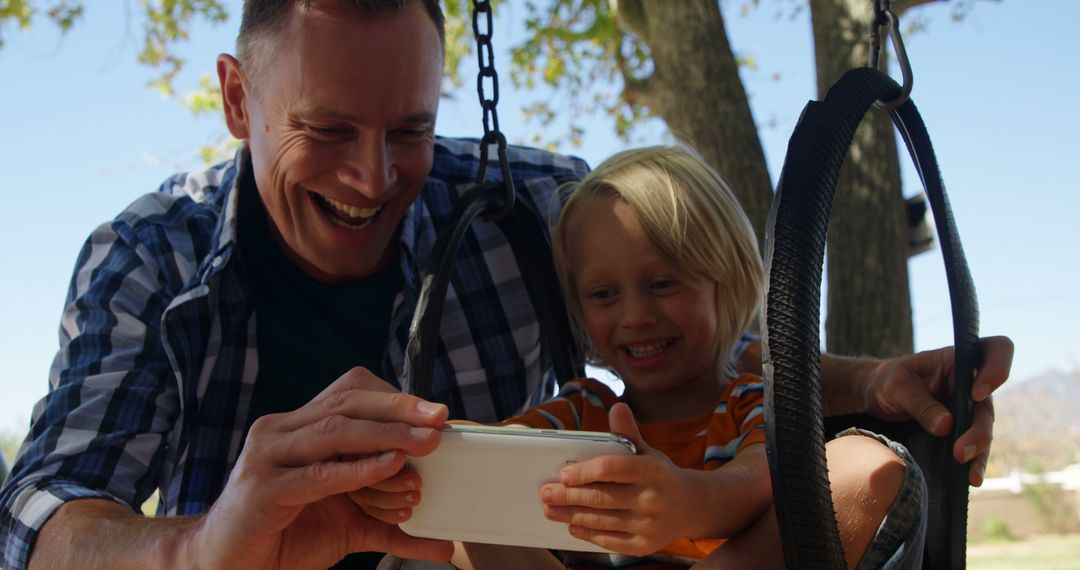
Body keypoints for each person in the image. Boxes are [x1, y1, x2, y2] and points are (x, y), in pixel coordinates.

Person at [0, 1, 1012, 569]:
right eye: (326, 131)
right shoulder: (150, 258)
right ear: (236, 98)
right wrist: (207, 549)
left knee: (863, 470)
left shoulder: (533, 209)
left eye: (409, 130)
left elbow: (712, 350)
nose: (372, 179)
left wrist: (876, 380)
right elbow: (43, 519)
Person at [361, 146, 923, 569]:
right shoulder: (584, 410)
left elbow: (760, 479)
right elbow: (492, 461)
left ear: (727, 285)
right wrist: (423, 463)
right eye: (604, 295)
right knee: (455, 506)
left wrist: (687, 502)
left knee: (865, 464)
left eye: (662, 283)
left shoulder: (746, 402)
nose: (634, 316)